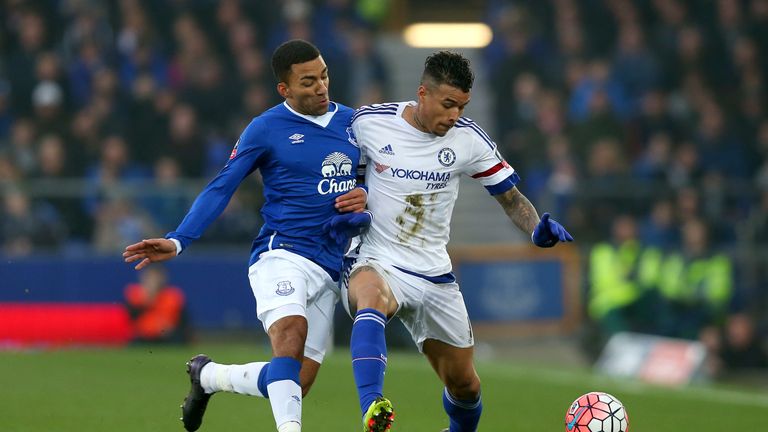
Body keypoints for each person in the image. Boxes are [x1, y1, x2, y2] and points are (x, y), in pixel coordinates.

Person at [123, 39, 367, 432]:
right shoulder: (266, 128)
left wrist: (366, 194)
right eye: (308, 81)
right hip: (282, 253)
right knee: (291, 332)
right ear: (284, 89)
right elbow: (222, 185)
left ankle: (208, 377)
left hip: (332, 264)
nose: (321, 87)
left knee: (296, 381)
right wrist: (179, 238)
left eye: (323, 76)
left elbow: (377, 180)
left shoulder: (355, 124)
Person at [328, 52, 573, 432]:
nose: (454, 115)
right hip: (377, 257)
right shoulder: (369, 124)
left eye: (461, 106)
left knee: (465, 386)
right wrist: (350, 199)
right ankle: (373, 407)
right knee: (371, 296)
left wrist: (535, 227)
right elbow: (338, 171)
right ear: (422, 93)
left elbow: (510, 198)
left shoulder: (468, 139)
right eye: (447, 104)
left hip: (434, 272)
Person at [123, 265, 190, 344]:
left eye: (156, 278)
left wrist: (172, 329)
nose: (153, 281)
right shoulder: (135, 294)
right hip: (144, 336)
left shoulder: (173, 296)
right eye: (150, 278)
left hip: (167, 337)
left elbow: (183, 321)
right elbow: (130, 318)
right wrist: (147, 300)